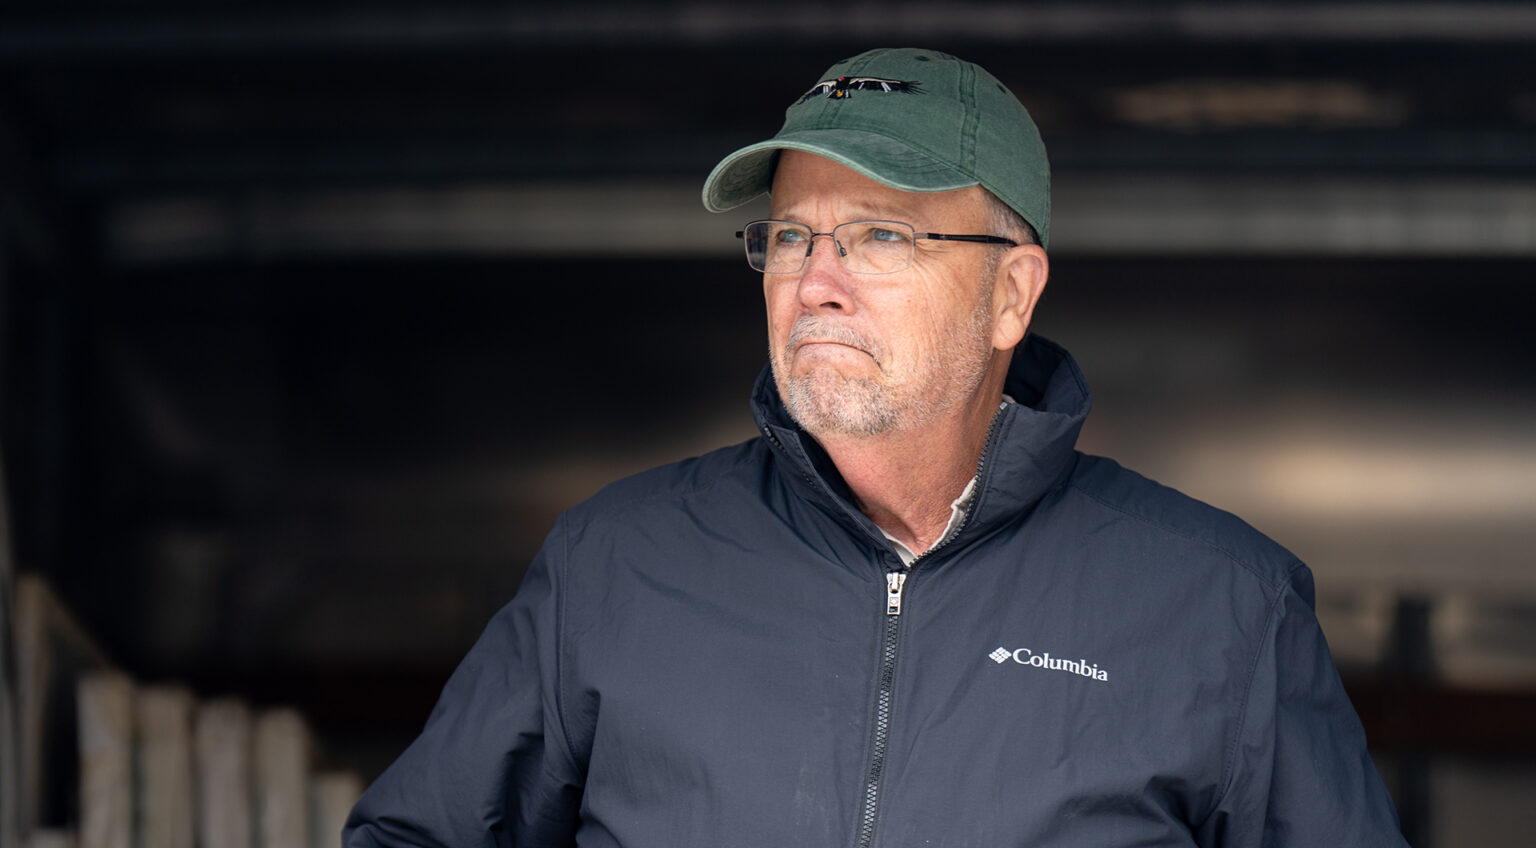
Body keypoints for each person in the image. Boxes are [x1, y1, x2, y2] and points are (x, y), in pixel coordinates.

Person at [345, 48, 1409, 847]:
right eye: (794, 235)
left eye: (883, 235)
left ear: (1011, 295)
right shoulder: (615, 566)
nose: (817, 278)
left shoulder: (1221, 606)